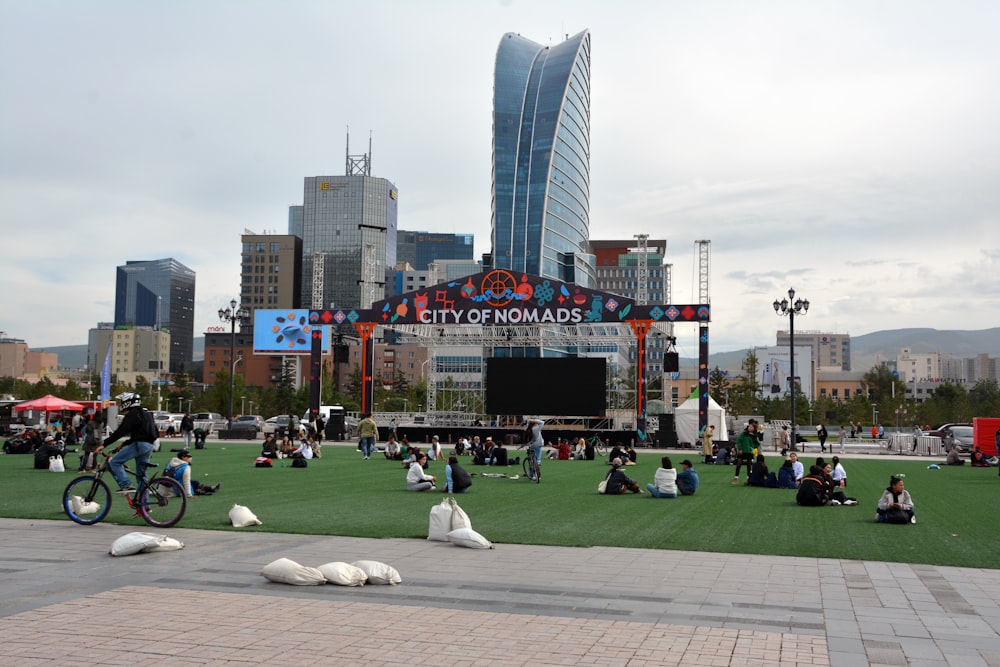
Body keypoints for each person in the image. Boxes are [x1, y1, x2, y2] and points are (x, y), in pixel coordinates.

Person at [99, 392, 159, 494]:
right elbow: (145, 433)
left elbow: (120, 432)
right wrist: (123, 444)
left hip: (139, 445)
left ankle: (126, 485)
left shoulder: (132, 414)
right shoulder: (147, 414)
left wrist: (104, 444)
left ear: (128, 402)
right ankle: (144, 507)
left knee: (114, 462)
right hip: (149, 446)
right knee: (142, 477)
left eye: (122, 401)